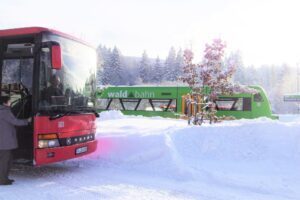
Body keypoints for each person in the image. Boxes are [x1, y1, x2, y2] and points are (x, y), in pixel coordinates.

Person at [0, 96, 30, 185]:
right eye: (9, 101)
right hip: (5, 141)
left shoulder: (3, 111)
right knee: (5, 161)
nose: (10, 103)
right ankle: (2, 180)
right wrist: (27, 121)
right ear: (4, 103)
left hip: (4, 140)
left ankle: (5, 178)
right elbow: (15, 122)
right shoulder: (5, 112)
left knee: (8, 160)